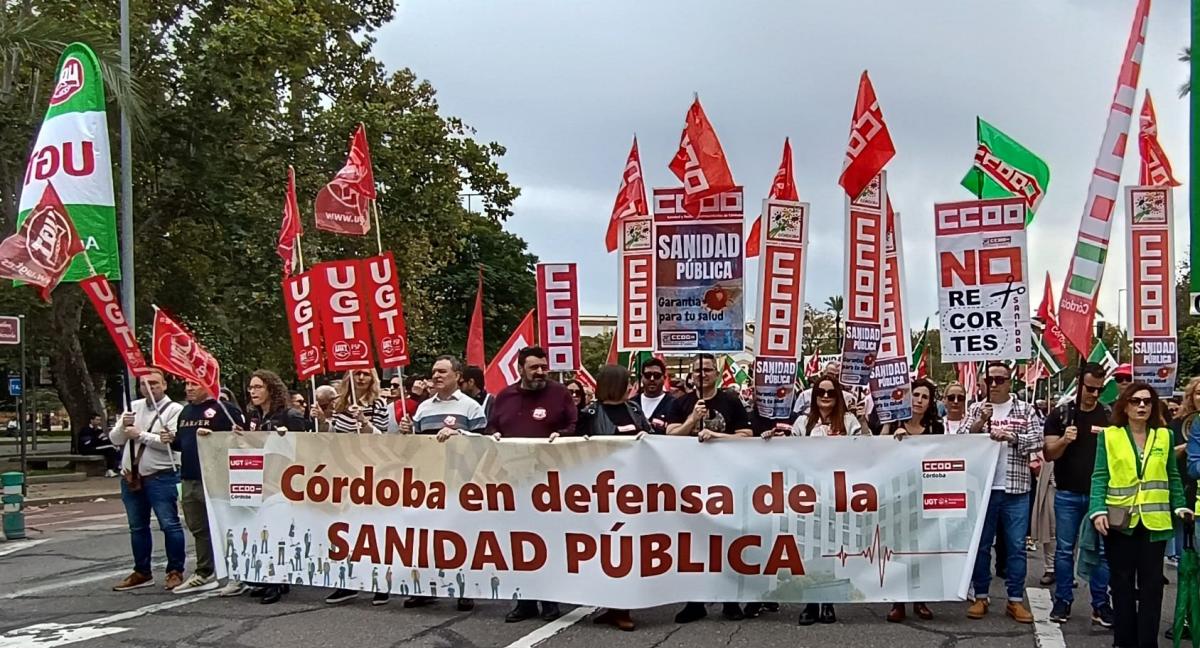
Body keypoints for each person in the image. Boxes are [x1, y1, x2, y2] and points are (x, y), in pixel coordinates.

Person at [1093, 383, 1190, 648]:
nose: (1142, 406)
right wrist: (1097, 510)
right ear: (1125, 405)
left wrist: (1179, 505)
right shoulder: (1110, 436)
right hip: (1119, 523)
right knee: (1121, 585)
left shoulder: (1164, 436)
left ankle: (1147, 642)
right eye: (1135, 401)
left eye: (1147, 401)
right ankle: (1124, 641)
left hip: (1155, 523)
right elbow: (1100, 475)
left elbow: (1172, 475)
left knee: (1152, 588)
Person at [764, 375, 864, 626]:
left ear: (838, 395)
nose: (826, 397)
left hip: (838, 492)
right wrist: (770, 439)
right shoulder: (802, 422)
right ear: (815, 395)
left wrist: (863, 419)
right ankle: (810, 603)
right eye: (822, 392)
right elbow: (790, 450)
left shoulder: (849, 421)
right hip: (808, 494)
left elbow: (867, 447)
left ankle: (828, 602)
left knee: (832, 546)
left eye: (831, 392)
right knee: (809, 547)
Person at [486, 347, 574, 623]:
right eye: (534, 367)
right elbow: (490, 428)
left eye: (543, 367)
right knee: (518, 543)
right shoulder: (505, 397)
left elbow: (574, 424)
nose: (540, 372)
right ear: (520, 368)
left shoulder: (559, 394)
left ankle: (549, 600)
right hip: (513, 482)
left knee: (547, 541)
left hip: (549, 482)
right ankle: (524, 601)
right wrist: (494, 435)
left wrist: (561, 436)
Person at [391, 355, 485, 612]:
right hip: (429, 483)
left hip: (459, 481)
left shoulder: (470, 407)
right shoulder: (423, 408)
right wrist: (406, 433)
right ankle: (424, 588)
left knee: (460, 537)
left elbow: (483, 443)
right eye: (434, 371)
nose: (436, 376)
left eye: (442, 371)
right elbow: (415, 446)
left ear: (457, 376)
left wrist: (459, 434)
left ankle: (464, 589)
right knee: (426, 536)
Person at [667, 353, 752, 624]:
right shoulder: (680, 403)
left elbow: (746, 435)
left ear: (716, 373)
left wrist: (717, 436)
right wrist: (692, 420)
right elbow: (670, 436)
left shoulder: (730, 401)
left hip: (725, 482)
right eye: (697, 370)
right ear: (691, 375)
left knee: (727, 538)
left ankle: (730, 599)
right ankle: (696, 601)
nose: (702, 374)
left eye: (706, 369)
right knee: (694, 541)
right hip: (689, 482)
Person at [964, 362, 1041, 624]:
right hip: (983, 488)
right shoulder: (976, 408)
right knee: (981, 546)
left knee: (1016, 548)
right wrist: (981, 421)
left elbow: (1038, 440)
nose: (994, 384)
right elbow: (962, 440)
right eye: (991, 380)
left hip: (1016, 489)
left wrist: (1012, 438)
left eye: (1001, 380)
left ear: (1010, 382)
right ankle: (981, 596)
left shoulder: (1025, 409)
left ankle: (1015, 600)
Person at [575, 365, 650, 632]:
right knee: (606, 547)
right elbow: (574, 446)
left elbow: (652, 439)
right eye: (626, 381)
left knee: (627, 547)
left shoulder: (635, 410)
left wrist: (646, 438)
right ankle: (611, 604)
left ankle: (622, 606)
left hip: (632, 490)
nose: (630, 385)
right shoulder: (590, 413)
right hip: (600, 490)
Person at [1042, 362, 1113, 626]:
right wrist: (1064, 439)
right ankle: (1063, 600)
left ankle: (1100, 604)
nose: (1094, 394)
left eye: (1099, 389)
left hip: (1100, 496)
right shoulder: (1061, 414)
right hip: (1068, 494)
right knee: (1064, 551)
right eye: (1090, 389)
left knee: (1103, 553)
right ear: (1080, 384)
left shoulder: (1107, 415)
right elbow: (1049, 453)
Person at [109, 369, 186, 592]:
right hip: (132, 476)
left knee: (169, 524)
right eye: (144, 384)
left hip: (161, 476)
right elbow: (115, 438)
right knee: (137, 527)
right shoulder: (134, 406)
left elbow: (169, 442)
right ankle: (142, 570)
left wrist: (140, 435)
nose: (149, 388)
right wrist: (124, 426)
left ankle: (175, 570)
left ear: (164, 385)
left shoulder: (175, 410)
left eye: (154, 383)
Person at [173, 379, 246, 595]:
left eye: (194, 384)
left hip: (216, 478)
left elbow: (238, 440)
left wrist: (216, 437)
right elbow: (182, 442)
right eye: (186, 384)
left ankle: (237, 573)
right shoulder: (186, 412)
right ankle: (204, 572)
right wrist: (171, 440)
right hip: (190, 477)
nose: (189, 388)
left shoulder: (224, 410)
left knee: (225, 527)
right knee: (199, 528)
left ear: (207, 385)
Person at [243, 370, 307, 604]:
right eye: (251, 388)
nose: (253, 392)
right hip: (261, 480)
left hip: (283, 483)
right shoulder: (254, 416)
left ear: (271, 388)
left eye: (258, 387)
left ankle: (277, 580)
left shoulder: (290, 415)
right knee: (263, 530)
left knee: (278, 532)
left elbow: (305, 446)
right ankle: (269, 577)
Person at [883, 379, 941, 623]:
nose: (918, 400)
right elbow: (876, 455)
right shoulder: (894, 424)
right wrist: (889, 433)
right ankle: (898, 601)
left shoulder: (936, 429)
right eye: (915, 395)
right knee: (898, 547)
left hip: (925, 495)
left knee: (924, 548)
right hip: (897, 495)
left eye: (924, 397)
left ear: (930, 403)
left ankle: (921, 599)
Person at [330, 369, 389, 434]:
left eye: (366, 374)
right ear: (350, 377)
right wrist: (322, 420)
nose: (361, 377)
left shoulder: (378, 403)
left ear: (372, 379)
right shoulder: (340, 401)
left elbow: (382, 436)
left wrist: (364, 422)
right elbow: (333, 431)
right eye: (357, 374)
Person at [637, 357, 675, 435]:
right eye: (647, 375)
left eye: (657, 375)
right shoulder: (631, 404)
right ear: (641, 378)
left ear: (664, 378)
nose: (652, 379)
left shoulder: (674, 404)